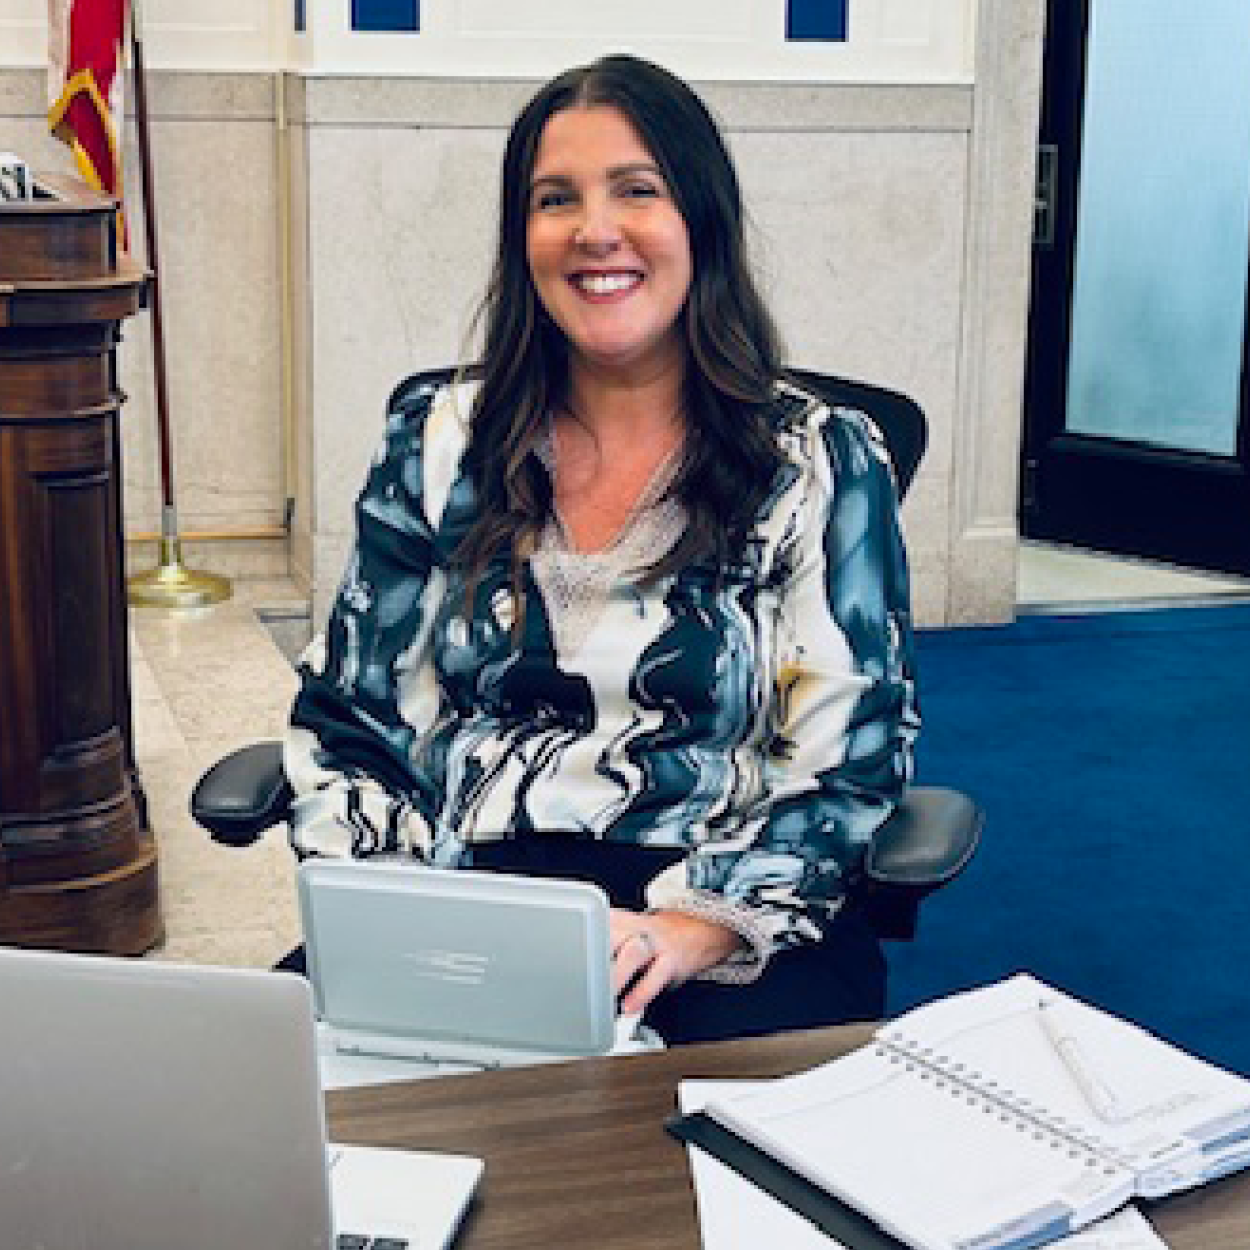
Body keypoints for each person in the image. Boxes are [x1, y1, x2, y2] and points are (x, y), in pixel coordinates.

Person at [284, 52, 919, 1044]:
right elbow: (348, 717)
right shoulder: (435, 438)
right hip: (462, 892)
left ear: (697, 221)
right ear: (522, 237)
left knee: (664, 1182)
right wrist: (394, 911)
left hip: (717, 907)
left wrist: (685, 926)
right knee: (268, 1130)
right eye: (553, 200)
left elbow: (847, 763)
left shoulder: (817, 458)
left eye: (636, 190)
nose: (593, 231)